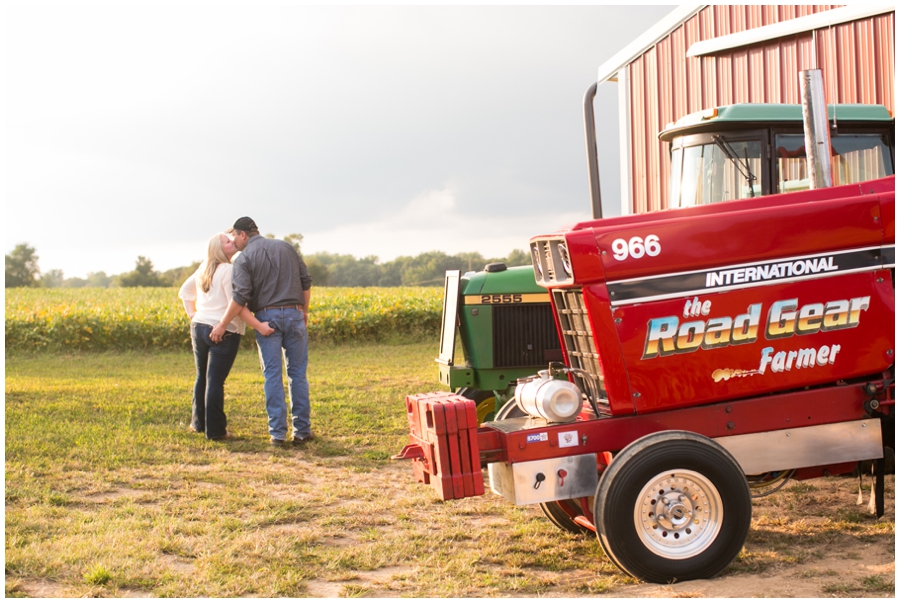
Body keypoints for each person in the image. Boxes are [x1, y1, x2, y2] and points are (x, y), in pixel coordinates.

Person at [210, 217, 313, 447]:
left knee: (273, 375)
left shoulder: (243, 259)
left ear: (243, 234)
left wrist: (222, 323)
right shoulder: (286, 246)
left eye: (234, 236)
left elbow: (240, 298)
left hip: (267, 318)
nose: (233, 241)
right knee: (297, 374)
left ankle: (277, 435)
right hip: (295, 314)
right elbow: (306, 282)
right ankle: (302, 431)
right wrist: (303, 312)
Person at [179, 232, 274, 440]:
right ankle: (216, 432)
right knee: (214, 381)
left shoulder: (203, 269)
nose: (232, 242)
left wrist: (194, 316)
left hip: (199, 327)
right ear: (218, 248)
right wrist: (259, 326)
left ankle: (198, 424)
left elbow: (185, 293)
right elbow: (237, 304)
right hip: (223, 330)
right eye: (227, 241)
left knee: (201, 377)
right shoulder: (229, 270)